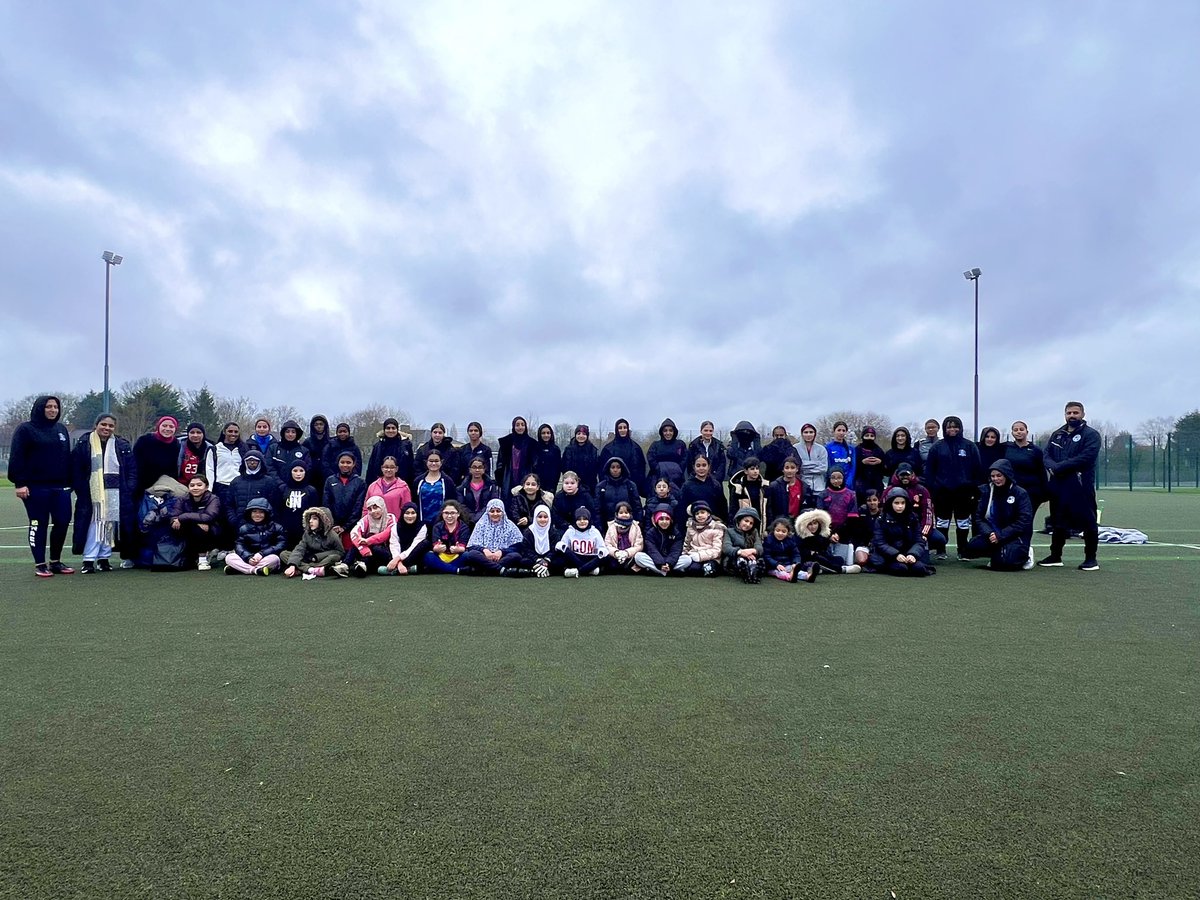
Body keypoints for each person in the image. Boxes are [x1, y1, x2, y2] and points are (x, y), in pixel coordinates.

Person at [9, 396, 74, 577]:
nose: (53, 410)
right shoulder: (26, 430)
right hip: (35, 488)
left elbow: (65, 457)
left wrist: (70, 482)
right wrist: (19, 483)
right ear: (40, 408)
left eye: (55, 407)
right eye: (48, 407)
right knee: (39, 524)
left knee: (62, 522)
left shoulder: (61, 429)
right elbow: (17, 456)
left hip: (60, 487)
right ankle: (40, 564)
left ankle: (55, 562)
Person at [70, 412, 138, 574]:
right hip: (91, 494)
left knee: (110, 524)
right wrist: (81, 489)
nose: (107, 428)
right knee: (93, 525)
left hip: (115, 493)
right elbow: (75, 469)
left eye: (110, 425)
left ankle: (104, 558)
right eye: (104, 424)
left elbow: (132, 470)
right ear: (96, 425)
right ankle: (88, 560)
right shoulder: (84, 443)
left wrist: (129, 488)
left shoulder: (121, 444)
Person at [1039, 402, 1102, 571]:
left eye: (1075, 412)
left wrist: (1061, 466)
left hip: (1080, 484)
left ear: (1082, 414)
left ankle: (1091, 558)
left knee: (1088, 521)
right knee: (1057, 520)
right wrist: (1052, 465)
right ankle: (1055, 556)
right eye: (1069, 413)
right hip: (1058, 485)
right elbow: (1046, 455)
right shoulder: (1057, 434)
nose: (1072, 415)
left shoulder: (1091, 435)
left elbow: (1086, 457)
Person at [924, 415, 983, 560]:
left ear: (960, 428)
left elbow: (977, 469)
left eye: (955, 426)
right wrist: (931, 490)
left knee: (963, 522)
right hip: (942, 492)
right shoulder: (937, 447)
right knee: (942, 522)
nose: (952, 429)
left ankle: (962, 549)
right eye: (949, 427)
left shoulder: (969, 446)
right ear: (944, 429)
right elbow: (930, 471)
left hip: (964, 492)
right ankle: (941, 550)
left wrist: (973, 489)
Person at [962, 459, 1034, 570]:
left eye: (999, 475)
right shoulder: (987, 491)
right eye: (993, 476)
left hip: (1014, 536)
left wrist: (1000, 535)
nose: (995, 479)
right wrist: (989, 533)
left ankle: (1026, 554)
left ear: (1007, 475)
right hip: (993, 535)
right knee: (971, 548)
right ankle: (1000, 553)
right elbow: (979, 517)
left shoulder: (1020, 493)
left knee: (1005, 564)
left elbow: (1023, 521)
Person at [869, 488, 934, 577]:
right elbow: (880, 543)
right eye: (896, 503)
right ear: (890, 503)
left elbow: (919, 540)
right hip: (888, 556)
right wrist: (896, 555)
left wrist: (912, 554)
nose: (900, 506)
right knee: (901, 569)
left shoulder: (913, 518)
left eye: (903, 503)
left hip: (907, 553)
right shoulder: (881, 519)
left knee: (919, 569)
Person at [889, 463, 947, 559]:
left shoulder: (922, 490)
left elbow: (928, 515)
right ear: (897, 475)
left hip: (917, 527)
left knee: (939, 539)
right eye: (902, 475)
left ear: (912, 475)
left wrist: (923, 534)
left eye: (907, 475)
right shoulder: (889, 491)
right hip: (896, 527)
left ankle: (921, 547)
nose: (905, 477)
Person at [460, 498, 525, 575]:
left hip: (501, 557)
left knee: (516, 556)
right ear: (488, 512)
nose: (495, 514)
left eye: (498, 511)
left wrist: (501, 552)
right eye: (492, 511)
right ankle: (501, 570)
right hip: (484, 556)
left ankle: (484, 571)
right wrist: (484, 550)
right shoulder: (481, 525)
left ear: (503, 512)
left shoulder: (510, 525)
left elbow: (518, 546)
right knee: (471, 554)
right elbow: (472, 546)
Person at [224, 497, 287, 575]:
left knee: (275, 559)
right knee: (229, 557)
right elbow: (239, 545)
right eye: (254, 511)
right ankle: (255, 570)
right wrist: (248, 557)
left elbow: (281, 545)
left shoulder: (277, 527)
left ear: (267, 513)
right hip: (248, 558)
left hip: (266, 558)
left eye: (261, 512)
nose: (257, 515)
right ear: (249, 513)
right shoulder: (244, 528)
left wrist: (262, 554)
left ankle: (240, 569)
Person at [282, 506, 348, 579]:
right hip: (307, 559)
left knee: (335, 557)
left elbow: (340, 552)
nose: (310, 521)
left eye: (314, 518)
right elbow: (299, 549)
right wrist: (292, 565)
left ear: (323, 521)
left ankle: (303, 569)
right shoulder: (307, 534)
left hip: (322, 561)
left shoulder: (332, 535)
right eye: (310, 518)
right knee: (284, 554)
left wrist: (317, 557)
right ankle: (311, 570)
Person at [227, 449, 282, 535]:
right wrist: (233, 520)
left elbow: (275, 505)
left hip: (264, 527)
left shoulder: (269, 481)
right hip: (240, 526)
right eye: (249, 460)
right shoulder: (236, 481)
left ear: (260, 462)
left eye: (255, 460)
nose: (252, 463)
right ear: (244, 462)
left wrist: (268, 522)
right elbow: (229, 504)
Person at [172, 475, 222, 569]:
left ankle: (203, 560)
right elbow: (174, 516)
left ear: (206, 487)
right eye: (192, 485)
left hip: (211, 530)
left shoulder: (213, 499)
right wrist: (194, 522)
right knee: (177, 527)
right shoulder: (182, 499)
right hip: (189, 528)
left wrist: (183, 517)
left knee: (199, 529)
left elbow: (209, 517)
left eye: (199, 485)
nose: (195, 488)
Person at [1004, 420, 1048, 526]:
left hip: (1031, 493)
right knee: (1010, 521)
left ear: (1027, 432)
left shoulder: (1036, 450)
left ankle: (1025, 543)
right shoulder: (1005, 448)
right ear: (1012, 433)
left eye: (1021, 429)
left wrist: (1044, 494)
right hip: (1010, 491)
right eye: (1015, 430)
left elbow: (1042, 472)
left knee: (1026, 522)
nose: (1019, 432)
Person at [323, 451, 367, 552]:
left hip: (351, 528)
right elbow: (326, 504)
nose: (345, 465)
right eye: (342, 462)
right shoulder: (330, 481)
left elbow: (358, 506)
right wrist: (333, 525)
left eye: (348, 462)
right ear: (338, 463)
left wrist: (345, 527)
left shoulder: (360, 482)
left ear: (354, 464)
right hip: (332, 527)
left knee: (348, 556)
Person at [797, 508, 863, 574]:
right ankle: (843, 570)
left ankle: (822, 570)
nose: (813, 526)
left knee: (839, 559)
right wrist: (811, 553)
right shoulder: (799, 536)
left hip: (821, 556)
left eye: (815, 523)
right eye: (810, 524)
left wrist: (829, 540)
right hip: (808, 560)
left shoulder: (820, 534)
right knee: (817, 559)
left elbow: (823, 548)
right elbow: (800, 552)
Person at [346, 495, 399, 577]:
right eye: (370, 509)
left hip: (388, 553)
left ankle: (363, 566)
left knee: (375, 547)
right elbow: (354, 532)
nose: (373, 511)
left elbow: (385, 535)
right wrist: (364, 549)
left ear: (382, 506)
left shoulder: (391, 518)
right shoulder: (366, 518)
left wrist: (368, 541)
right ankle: (345, 566)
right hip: (370, 553)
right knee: (354, 546)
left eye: (375, 507)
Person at [816, 468, 859, 565]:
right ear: (829, 479)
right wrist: (830, 534)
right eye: (833, 478)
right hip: (825, 533)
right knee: (825, 558)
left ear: (844, 478)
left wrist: (839, 534)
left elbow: (852, 518)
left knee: (841, 561)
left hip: (844, 534)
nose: (836, 481)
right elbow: (821, 518)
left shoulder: (851, 495)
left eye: (839, 478)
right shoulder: (822, 495)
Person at [213, 422, 246, 538]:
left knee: (235, 517)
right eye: (230, 431)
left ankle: (234, 546)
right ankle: (221, 546)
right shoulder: (216, 449)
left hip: (238, 487)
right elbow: (210, 469)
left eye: (236, 432)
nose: (233, 434)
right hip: (220, 486)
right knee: (221, 516)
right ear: (224, 432)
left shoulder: (242, 449)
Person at [275, 462, 319, 550]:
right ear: (290, 472)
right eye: (295, 471)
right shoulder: (282, 489)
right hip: (285, 529)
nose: (298, 474)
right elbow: (277, 509)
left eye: (301, 471)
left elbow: (314, 511)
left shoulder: (311, 490)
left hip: (304, 530)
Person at [134, 416, 182, 495]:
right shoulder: (145, 440)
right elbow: (134, 462)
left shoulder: (177, 445)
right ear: (158, 426)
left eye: (171, 427)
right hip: (142, 484)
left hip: (165, 486)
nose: (167, 429)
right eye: (164, 426)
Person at [675, 501, 725, 577]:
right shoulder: (690, 527)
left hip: (711, 557)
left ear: (708, 513)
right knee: (693, 570)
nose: (700, 515)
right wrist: (685, 555)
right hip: (694, 555)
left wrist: (699, 556)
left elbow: (717, 550)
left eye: (702, 512)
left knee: (709, 569)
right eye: (697, 514)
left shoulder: (717, 528)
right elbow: (687, 544)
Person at [555, 506, 608, 577]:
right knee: (558, 560)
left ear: (589, 519)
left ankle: (577, 571)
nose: (582, 521)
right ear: (575, 520)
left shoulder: (594, 532)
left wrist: (600, 554)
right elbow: (561, 546)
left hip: (590, 559)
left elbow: (602, 549)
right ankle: (588, 571)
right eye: (579, 519)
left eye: (585, 519)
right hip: (574, 558)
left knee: (607, 559)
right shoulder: (570, 531)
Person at [380, 503, 431, 575]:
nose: (410, 516)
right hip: (397, 555)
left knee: (425, 543)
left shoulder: (422, 527)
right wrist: (399, 563)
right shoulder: (396, 527)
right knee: (377, 549)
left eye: (413, 513)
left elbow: (414, 547)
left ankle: (394, 570)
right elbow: (394, 546)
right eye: (407, 513)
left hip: (412, 555)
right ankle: (407, 569)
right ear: (403, 514)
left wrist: (397, 559)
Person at [762, 516, 818, 582]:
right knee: (780, 573)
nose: (780, 533)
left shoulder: (790, 540)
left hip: (787, 564)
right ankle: (790, 577)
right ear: (773, 530)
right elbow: (767, 556)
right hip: (773, 567)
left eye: (783, 531)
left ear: (788, 532)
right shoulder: (769, 540)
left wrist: (795, 563)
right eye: (778, 530)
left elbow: (796, 554)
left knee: (795, 570)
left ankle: (808, 576)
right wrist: (776, 564)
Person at [423, 501, 472, 574]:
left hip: (457, 557)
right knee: (428, 556)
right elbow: (435, 546)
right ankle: (457, 570)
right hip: (441, 557)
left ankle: (441, 568)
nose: (449, 516)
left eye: (452, 513)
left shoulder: (464, 527)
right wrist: (437, 548)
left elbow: (463, 547)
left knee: (467, 555)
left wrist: (459, 549)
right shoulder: (437, 527)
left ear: (458, 514)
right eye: (446, 513)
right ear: (442, 514)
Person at [594, 457, 643, 529]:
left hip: (628, 524)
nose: (615, 470)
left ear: (622, 468)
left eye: (618, 467)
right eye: (612, 467)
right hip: (606, 525)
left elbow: (637, 506)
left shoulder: (630, 485)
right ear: (608, 469)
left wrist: (638, 523)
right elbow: (597, 509)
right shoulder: (601, 486)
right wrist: (599, 527)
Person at [600, 419, 647, 492]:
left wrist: (640, 486)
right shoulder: (608, 449)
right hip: (612, 487)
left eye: (625, 427)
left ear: (628, 429)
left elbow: (641, 468)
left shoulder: (636, 448)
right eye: (620, 428)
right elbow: (602, 469)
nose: (622, 430)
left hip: (632, 487)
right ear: (616, 429)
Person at [722, 507, 766, 584]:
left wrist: (752, 551)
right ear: (739, 520)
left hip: (751, 557)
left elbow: (759, 547)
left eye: (751, 523)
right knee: (741, 560)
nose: (748, 524)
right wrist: (740, 552)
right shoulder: (729, 531)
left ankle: (754, 572)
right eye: (746, 521)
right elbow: (726, 547)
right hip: (734, 560)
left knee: (755, 560)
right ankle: (745, 571)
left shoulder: (754, 532)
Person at [635, 508, 684, 576]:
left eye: (667, 519)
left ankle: (659, 571)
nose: (664, 522)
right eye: (661, 519)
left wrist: (669, 563)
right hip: (656, 561)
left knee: (687, 559)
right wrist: (660, 564)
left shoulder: (676, 533)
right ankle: (665, 571)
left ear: (671, 520)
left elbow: (675, 550)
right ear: (656, 520)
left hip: (671, 561)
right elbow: (652, 550)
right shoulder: (650, 533)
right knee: (638, 556)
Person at [365, 418, 414, 486]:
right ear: (384, 430)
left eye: (393, 428)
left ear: (397, 429)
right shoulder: (377, 446)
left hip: (401, 485)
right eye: (388, 428)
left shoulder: (406, 446)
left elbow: (411, 466)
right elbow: (371, 468)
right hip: (380, 485)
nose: (391, 430)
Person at [415, 449, 458, 525]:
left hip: (442, 525)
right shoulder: (418, 481)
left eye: (436, 461)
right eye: (431, 461)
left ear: (441, 462)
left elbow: (453, 502)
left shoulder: (448, 482)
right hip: (421, 524)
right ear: (426, 462)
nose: (434, 463)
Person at [495, 416, 536, 495]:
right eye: (517, 425)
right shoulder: (506, 442)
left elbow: (535, 464)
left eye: (522, 425)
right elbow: (500, 463)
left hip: (526, 477)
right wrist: (499, 478)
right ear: (513, 426)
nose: (520, 427)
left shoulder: (532, 444)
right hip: (508, 477)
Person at [364, 456, 413, 520]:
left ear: (396, 469)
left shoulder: (403, 487)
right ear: (382, 468)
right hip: (374, 525)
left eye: (392, 467)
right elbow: (365, 508)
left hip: (394, 525)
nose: (389, 470)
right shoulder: (373, 486)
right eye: (386, 467)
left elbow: (407, 510)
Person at [519, 505, 562, 578]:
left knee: (561, 561)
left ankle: (536, 571)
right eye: (540, 517)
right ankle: (545, 571)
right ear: (535, 517)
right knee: (523, 561)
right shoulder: (529, 531)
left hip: (549, 559)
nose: (542, 519)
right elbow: (527, 549)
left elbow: (554, 549)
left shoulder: (553, 531)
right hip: (534, 559)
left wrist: (546, 560)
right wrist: (537, 560)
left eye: (545, 517)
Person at [458, 456, 502, 525]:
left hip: (487, 520)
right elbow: (461, 505)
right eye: (474, 467)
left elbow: (492, 503)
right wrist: (472, 518)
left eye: (480, 467)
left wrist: (478, 517)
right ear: (470, 469)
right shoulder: (462, 488)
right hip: (467, 521)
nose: (477, 470)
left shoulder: (491, 486)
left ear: (484, 469)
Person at [645, 418, 687, 489]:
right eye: (665, 431)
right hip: (658, 479)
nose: (668, 433)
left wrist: (678, 470)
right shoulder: (655, 445)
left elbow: (685, 458)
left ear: (674, 432)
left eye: (670, 430)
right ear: (662, 432)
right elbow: (651, 458)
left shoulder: (680, 444)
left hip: (677, 479)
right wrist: (658, 469)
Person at [603, 501, 644, 573]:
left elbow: (639, 545)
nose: (624, 515)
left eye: (626, 513)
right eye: (621, 513)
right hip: (616, 556)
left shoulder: (636, 526)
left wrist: (626, 553)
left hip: (630, 556)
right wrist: (616, 553)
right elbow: (607, 544)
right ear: (617, 514)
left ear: (630, 514)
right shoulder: (611, 526)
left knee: (638, 558)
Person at [728, 456, 769, 523]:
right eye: (752, 469)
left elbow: (769, 508)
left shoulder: (765, 486)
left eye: (757, 468)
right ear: (746, 471)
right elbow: (733, 509)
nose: (755, 471)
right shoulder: (738, 488)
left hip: (761, 522)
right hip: (745, 524)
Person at [562, 424, 602, 491]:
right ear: (575, 435)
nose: (581, 436)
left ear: (587, 436)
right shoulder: (568, 450)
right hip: (572, 485)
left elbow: (596, 468)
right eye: (578, 433)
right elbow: (564, 467)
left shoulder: (593, 450)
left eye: (584, 434)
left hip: (589, 486)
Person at [765, 457, 803, 523]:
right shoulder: (774, 486)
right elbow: (769, 509)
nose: (789, 471)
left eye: (792, 468)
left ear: (797, 469)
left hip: (798, 522)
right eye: (787, 468)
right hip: (779, 523)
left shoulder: (803, 486)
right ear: (783, 469)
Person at [793, 424, 827, 498]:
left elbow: (823, 468)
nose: (808, 435)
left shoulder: (821, 449)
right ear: (802, 434)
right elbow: (796, 467)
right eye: (806, 432)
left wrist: (804, 466)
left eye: (811, 432)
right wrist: (816, 464)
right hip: (801, 486)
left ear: (815, 434)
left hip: (819, 487)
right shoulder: (795, 448)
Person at [178, 423, 216, 487]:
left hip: (201, 485)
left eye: (199, 432)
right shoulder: (179, 445)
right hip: (180, 483)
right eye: (192, 432)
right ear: (188, 434)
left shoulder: (211, 449)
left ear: (203, 434)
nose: (195, 435)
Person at [853, 426, 886, 501]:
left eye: (872, 436)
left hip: (876, 483)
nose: (869, 438)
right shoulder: (857, 450)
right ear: (863, 436)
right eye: (867, 435)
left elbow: (885, 469)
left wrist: (880, 462)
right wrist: (862, 462)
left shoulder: (879, 450)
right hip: (861, 483)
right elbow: (853, 467)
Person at [531, 423, 562, 493]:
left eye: (548, 433)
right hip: (537, 484)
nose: (546, 435)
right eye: (543, 433)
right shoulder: (535, 448)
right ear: (540, 434)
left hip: (551, 485)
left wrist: (554, 483)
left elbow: (558, 468)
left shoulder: (556, 449)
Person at [303, 415, 333, 487]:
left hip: (327, 477)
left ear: (325, 426)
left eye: (321, 424)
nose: (319, 426)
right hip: (311, 477)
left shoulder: (331, 442)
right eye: (316, 424)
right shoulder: (307, 442)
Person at [826, 422, 856, 490]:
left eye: (843, 431)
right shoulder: (828, 447)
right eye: (839, 430)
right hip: (833, 483)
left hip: (848, 485)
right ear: (834, 431)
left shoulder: (851, 449)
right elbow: (828, 466)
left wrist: (848, 481)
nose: (841, 433)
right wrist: (833, 480)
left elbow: (853, 467)